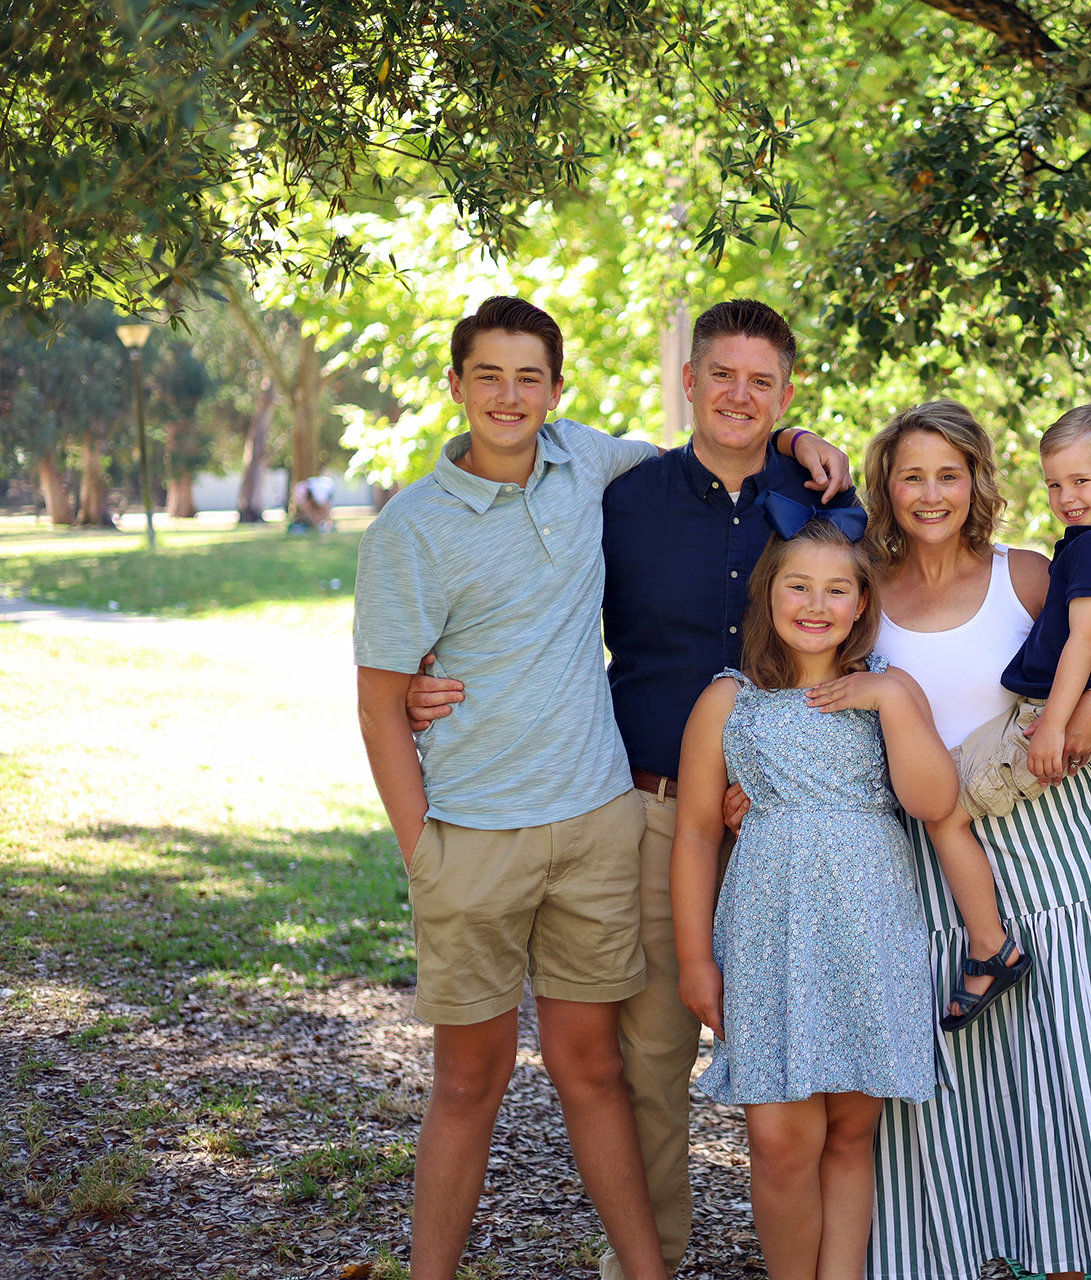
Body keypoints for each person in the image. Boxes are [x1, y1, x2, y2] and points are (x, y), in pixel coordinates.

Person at [399, 298, 859, 1279]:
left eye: (762, 383)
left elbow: (867, 638)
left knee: (831, 1054)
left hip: (800, 825)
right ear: (688, 381)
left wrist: (805, 449)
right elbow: (526, 597)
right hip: (652, 812)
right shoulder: (620, 493)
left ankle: (838, 1260)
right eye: (721, 374)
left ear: (788, 397)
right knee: (651, 1058)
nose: (739, 396)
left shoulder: (823, 501)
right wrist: (425, 672)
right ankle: (648, 1262)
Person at [806, 400, 1091, 1280]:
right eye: (911, 476)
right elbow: (817, 701)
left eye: (948, 474)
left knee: (1071, 1078)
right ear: (885, 486)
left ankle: (1086, 1260)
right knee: (957, 1090)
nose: (930, 493)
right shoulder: (862, 591)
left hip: (1056, 855)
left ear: (977, 482)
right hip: (925, 868)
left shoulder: (1026, 574)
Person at [353, 296, 670, 1280]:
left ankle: (646, 1271)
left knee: (594, 1067)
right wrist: (423, 852)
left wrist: (793, 438)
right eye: (488, 375)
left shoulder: (586, 461)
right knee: (467, 1081)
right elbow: (380, 707)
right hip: (472, 837)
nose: (508, 395)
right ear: (456, 386)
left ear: (556, 391)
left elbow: (695, 457)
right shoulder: (411, 527)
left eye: (529, 376)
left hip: (594, 825)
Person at [672, 517, 949, 1280]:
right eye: (798, 586)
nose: (817, 605)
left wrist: (889, 699)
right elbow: (695, 835)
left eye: (837, 589)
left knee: (851, 1134)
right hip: (771, 932)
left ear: (862, 603)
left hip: (869, 927)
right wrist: (695, 959)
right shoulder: (730, 701)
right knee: (781, 1141)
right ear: (768, 594)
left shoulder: (888, 689)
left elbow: (933, 800)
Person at [982, 403, 1091, 807]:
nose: (1065, 497)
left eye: (1080, 481)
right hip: (1066, 708)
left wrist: (1054, 724)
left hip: (1057, 712)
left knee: (966, 800)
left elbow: (1084, 638)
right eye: (1054, 485)